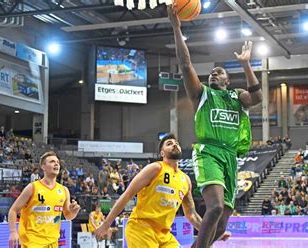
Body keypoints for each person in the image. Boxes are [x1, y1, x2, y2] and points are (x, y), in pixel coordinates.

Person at [168, 4, 262, 247]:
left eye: (219, 72)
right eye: (211, 72)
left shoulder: (237, 96)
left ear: (227, 80)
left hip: (230, 156)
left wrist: (245, 64)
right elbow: (185, 63)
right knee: (215, 207)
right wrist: (176, 27)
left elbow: (258, 98)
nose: (214, 74)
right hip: (208, 152)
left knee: (222, 222)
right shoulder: (201, 94)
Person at [94, 133, 230, 247]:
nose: (174, 144)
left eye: (176, 143)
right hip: (141, 228)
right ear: (162, 152)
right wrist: (106, 224)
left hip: (164, 234)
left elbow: (192, 215)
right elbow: (127, 195)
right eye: (169, 143)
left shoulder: (186, 180)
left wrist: (211, 232)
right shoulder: (155, 168)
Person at [8, 151, 81, 247]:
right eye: (52, 161)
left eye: (57, 162)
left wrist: (74, 212)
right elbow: (13, 210)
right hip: (32, 242)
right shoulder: (32, 187)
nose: (56, 164)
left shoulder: (64, 190)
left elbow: (68, 216)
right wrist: (13, 232)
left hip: (53, 243)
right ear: (43, 167)